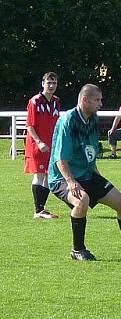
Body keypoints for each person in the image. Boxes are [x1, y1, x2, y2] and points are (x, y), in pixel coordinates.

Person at [48, 84, 121, 261]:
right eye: (97, 100)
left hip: (86, 173)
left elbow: (90, 152)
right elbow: (60, 158)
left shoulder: (92, 118)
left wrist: (97, 176)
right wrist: (71, 182)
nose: (101, 104)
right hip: (62, 177)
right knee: (82, 201)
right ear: (85, 100)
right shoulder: (68, 120)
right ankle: (77, 250)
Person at [25, 72, 62, 219]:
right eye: (49, 83)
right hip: (37, 145)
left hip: (51, 144)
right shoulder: (35, 101)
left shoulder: (56, 101)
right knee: (39, 175)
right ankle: (37, 210)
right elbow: (30, 125)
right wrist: (39, 142)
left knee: (48, 176)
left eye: (54, 83)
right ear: (43, 84)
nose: (51, 86)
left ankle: (42, 209)